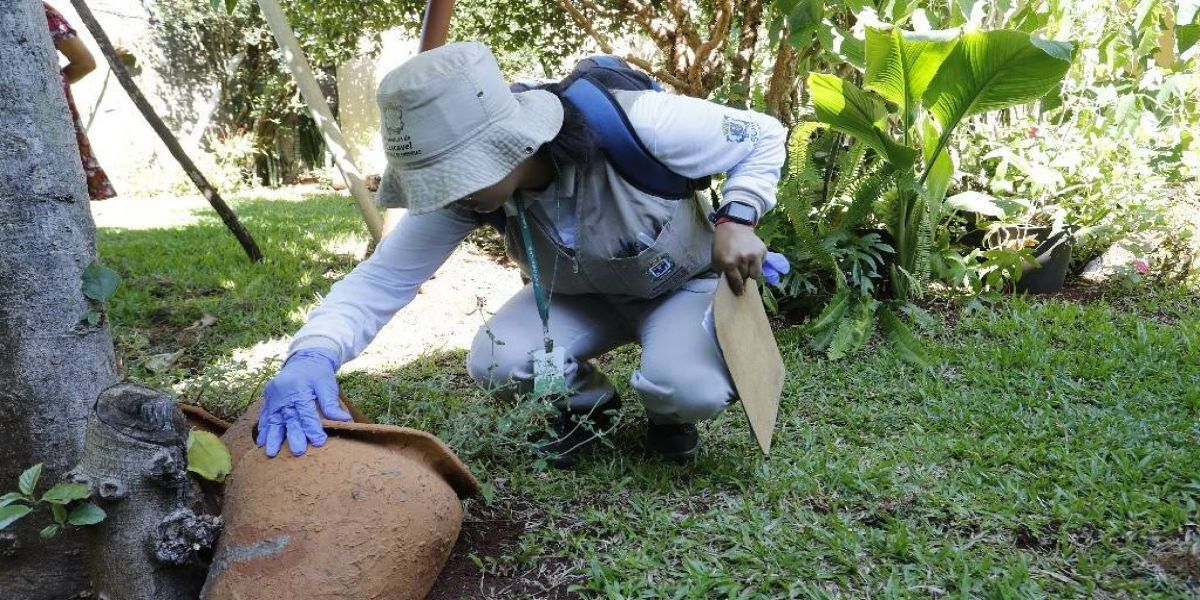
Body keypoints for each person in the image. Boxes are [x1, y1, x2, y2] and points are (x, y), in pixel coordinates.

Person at [257, 42, 786, 466]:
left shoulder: (639, 123)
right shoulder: (469, 197)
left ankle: (669, 416)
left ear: (512, 143)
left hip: (678, 287)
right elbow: (382, 280)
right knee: (499, 357)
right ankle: (589, 407)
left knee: (686, 387)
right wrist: (313, 355)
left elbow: (763, 135)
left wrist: (737, 217)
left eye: (455, 175)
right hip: (576, 298)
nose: (446, 194)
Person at [44, 2, 117, 201]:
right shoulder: (40, 12)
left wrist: (51, 85)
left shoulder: (40, 13)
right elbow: (84, 63)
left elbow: (85, 63)